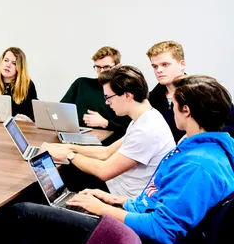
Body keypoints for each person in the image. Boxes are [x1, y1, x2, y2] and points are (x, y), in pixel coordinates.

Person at [9, 75, 234, 244]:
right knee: (66, 207)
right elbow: (160, 202)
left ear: (187, 110)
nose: (171, 109)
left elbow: (162, 230)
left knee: (24, 212)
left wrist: (104, 209)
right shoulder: (204, 149)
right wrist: (118, 201)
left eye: (173, 104)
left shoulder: (197, 166)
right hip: (146, 225)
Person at [43, 66, 175, 197]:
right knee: (65, 173)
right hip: (117, 184)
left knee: (57, 179)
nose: (107, 103)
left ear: (127, 95)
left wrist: (68, 155)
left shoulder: (146, 130)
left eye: (108, 97)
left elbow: (104, 171)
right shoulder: (145, 117)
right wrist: (67, 147)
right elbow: (106, 152)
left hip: (122, 196)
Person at [60, 46, 130, 143]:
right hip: (75, 137)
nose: (101, 71)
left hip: (106, 143)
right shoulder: (81, 83)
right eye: (98, 67)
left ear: (118, 66)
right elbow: (60, 110)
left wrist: (105, 123)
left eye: (106, 67)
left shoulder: (125, 92)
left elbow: (130, 128)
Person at [0, 47, 37, 121]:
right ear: (1, 62)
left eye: (14, 63)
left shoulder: (28, 85)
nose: (8, 65)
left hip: (17, 129)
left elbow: (33, 118)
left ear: (20, 68)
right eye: (6, 60)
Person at [147, 41, 188, 141]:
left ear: (182, 64)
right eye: (155, 66)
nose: (158, 70)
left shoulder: (202, 93)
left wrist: (195, 136)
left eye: (165, 64)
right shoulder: (150, 100)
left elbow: (230, 126)